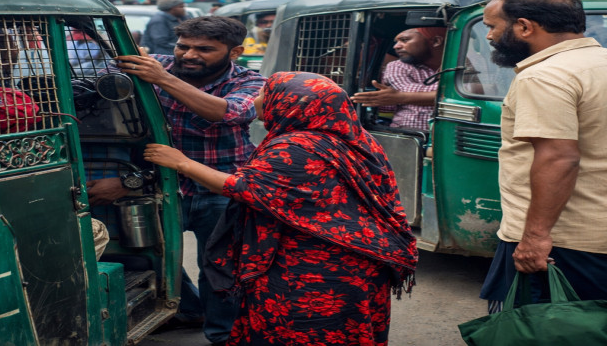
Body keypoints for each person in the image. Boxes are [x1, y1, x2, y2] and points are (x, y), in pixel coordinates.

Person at [141, 71, 419, 346]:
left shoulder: (296, 145)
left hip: (314, 268)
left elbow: (244, 188)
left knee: (304, 331)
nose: (257, 99)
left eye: (264, 94)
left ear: (290, 103)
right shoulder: (354, 138)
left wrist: (181, 162)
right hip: (359, 258)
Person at [478, 0, 607, 343]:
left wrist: (535, 237)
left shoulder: (545, 75)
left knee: (561, 328)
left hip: (567, 239)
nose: (489, 35)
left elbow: (558, 156)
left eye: (492, 26)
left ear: (524, 27)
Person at [88, 16, 265, 345]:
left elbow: (226, 112)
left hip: (220, 186)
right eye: (183, 46)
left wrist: (163, 79)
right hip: (164, 184)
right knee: (148, 252)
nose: (189, 55)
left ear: (235, 51)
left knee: (219, 265)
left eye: (205, 49)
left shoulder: (252, 82)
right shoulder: (157, 64)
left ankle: (222, 335)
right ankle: (188, 309)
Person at [350, 27, 446, 130]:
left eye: (405, 40)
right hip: (409, 134)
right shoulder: (397, 66)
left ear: (436, 41)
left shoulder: (461, 66)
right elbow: (453, 95)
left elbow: (404, 95)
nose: (396, 46)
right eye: (396, 42)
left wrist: (401, 97)